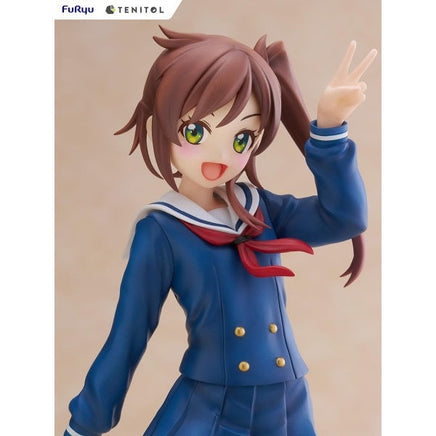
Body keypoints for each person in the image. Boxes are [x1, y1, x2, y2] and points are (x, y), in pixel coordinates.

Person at [64, 27, 376, 436]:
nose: (220, 156)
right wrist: (85, 424)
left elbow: (344, 217)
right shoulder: (162, 229)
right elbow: (128, 336)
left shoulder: (262, 209)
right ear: (165, 123)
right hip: (213, 403)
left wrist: (330, 130)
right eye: (195, 132)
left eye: (241, 138)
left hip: (286, 400)